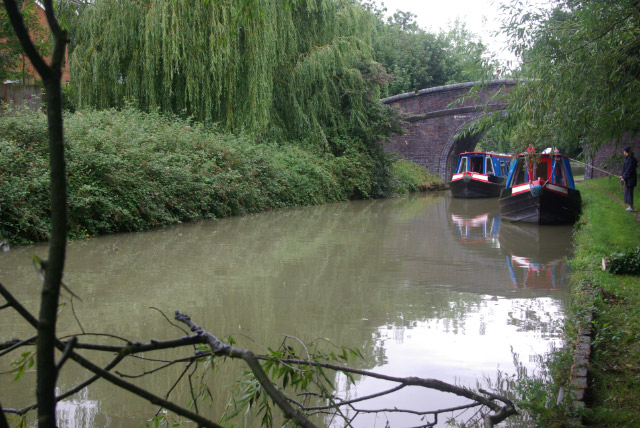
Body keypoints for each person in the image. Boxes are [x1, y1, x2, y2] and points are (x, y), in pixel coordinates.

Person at [620, 146, 638, 211]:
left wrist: (624, 177)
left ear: (626, 151)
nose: (623, 152)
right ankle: (630, 206)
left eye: (624, 151)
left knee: (629, 192)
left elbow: (629, 170)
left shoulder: (630, 160)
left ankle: (631, 207)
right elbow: (626, 170)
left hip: (630, 179)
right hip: (629, 179)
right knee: (628, 192)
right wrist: (622, 176)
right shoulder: (628, 158)